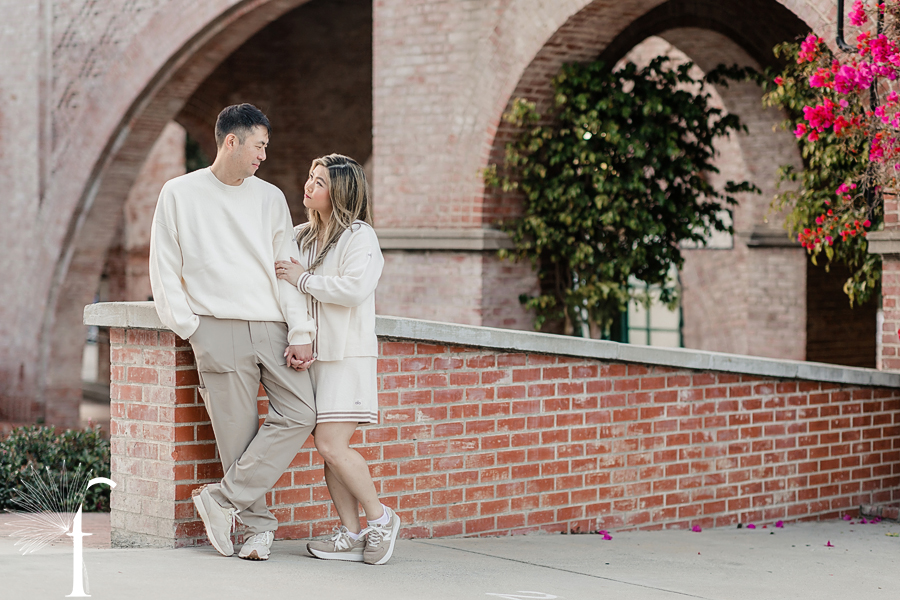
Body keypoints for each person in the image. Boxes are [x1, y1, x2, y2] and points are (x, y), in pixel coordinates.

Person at [149, 103, 316, 561]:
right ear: (231, 141)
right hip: (214, 328)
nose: (264, 154)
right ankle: (257, 531)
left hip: (271, 325)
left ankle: (220, 500)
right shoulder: (179, 193)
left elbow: (287, 270)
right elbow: (163, 267)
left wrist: (300, 329)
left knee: (302, 412)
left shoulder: (270, 197)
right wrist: (191, 328)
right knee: (236, 435)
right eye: (259, 145)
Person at [275, 153, 399, 565]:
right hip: (314, 358)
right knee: (329, 447)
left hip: (347, 357)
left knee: (331, 443)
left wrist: (304, 279)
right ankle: (350, 532)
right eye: (311, 177)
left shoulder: (359, 236)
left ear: (341, 192)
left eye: (321, 181)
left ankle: (380, 520)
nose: (309, 185)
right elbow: (282, 286)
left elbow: (353, 289)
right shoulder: (301, 235)